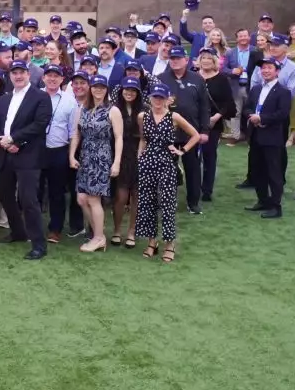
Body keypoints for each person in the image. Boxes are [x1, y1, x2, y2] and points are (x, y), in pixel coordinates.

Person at [0, 61, 52, 260]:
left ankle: (39, 244)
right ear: (10, 76)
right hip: (5, 154)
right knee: (4, 194)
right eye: (14, 73)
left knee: (28, 200)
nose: (18, 76)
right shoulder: (4, 98)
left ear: (28, 74)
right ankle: (18, 232)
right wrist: (3, 140)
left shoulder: (40, 96)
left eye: (21, 72)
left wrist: (16, 140)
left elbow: (40, 124)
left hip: (28, 156)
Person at [136, 83, 204, 262]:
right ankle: (152, 242)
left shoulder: (174, 116)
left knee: (167, 204)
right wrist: (139, 158)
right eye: (155, 97)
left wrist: (182, 150)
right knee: (147, 203)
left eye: (161, 97)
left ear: (167, 99)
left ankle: (169, 244)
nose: (158, 100)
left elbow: (195, 135)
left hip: (166, 163)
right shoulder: (143, 116)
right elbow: (143, 139)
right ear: (150, 98)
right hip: (147, 163)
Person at [68, 76, 124, 253]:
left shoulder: (112, 110)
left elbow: (119, 138)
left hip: (101, 157)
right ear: (91, 88)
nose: (98, 90)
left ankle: (98, 237)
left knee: (93, 198)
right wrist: (71, 156)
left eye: (102, 87)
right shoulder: (83, 108)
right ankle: (99, 234)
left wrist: (116, 162)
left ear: (106, 89)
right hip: (85, 156)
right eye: (95, 87)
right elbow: (76, 134)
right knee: (81, 198)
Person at [157, 46, 210, 215]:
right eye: (172, 58)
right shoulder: (161, 78)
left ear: (186, 60)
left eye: (178, 58)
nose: (174, 61)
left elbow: (204, 106)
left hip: (191, 133)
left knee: (193, 169)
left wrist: (205, 130)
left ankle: (193, 202)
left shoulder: (197, 79)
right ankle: (167, 201)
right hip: (168, 133)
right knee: (167, 169)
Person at [244, 59, 293, 219]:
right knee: (258, 170)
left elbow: (282, 113)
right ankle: (263, 200)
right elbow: (247, 107)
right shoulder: (256, 89)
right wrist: (251, 116)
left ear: (277, 71)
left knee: (274, 172)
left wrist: (262, 119)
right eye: (263, 68)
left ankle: (276, 206)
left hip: (272, 137)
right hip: (256, 136)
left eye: (269, 68)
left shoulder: (283, 92)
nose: (265, 71)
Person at [40, 64, 79, 244]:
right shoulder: (35, 95)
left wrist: (71, 155)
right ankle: (33, 226)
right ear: (43, 78)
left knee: (57, 192)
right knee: (34, 191)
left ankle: (55, 229)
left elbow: (73, 132)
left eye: (56, 76)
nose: (52, 79)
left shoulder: (69, 100)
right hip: (36, 150)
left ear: (62, 79)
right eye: (49, 75)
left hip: (59, 151)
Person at [197, 48, 237, 202]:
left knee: (209, 156)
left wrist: (217, 116)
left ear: (214, 61)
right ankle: (194, 187)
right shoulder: (193, 76)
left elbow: (229, 103)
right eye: (203, 57)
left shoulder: (222, 79)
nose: (206, 60)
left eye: (209, 58)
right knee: (193, 157)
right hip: (193, 123)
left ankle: (207, 190)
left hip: (213, 124)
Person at [110, 82, 142, 247]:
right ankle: (116, 230)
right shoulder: (115, 109)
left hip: (139, 155)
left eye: (133, 90)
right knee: (121, 196)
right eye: (126, 89)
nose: (129, 93)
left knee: (136, 195)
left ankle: (131, 232)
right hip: (120, 155)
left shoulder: (144, 110)